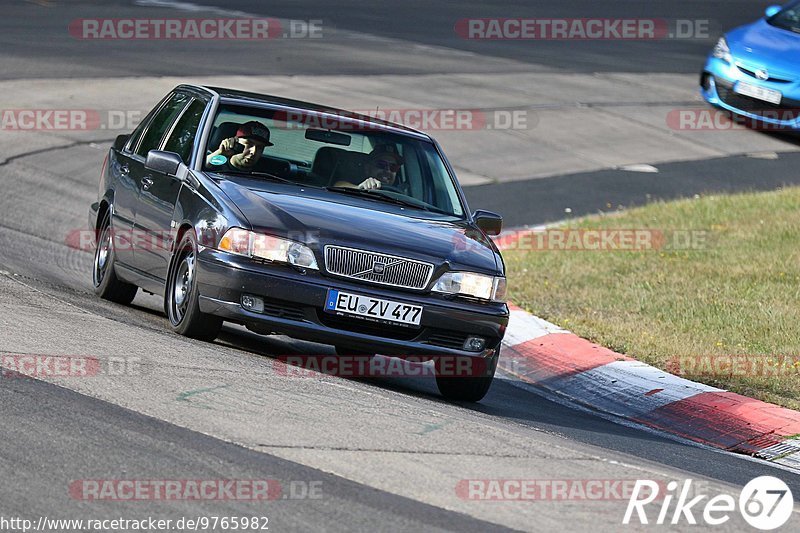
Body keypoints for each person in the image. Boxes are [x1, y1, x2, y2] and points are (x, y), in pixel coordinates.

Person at [206, 121, 273, 170]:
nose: (254, 152)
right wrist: (219, 153)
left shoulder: (264, 174)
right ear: (235, 142)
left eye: (260, 147)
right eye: (249, 144)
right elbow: (201, 166)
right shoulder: (218, 164)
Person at [334, 144, 404, 190]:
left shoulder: (401, 195)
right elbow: (338, 186)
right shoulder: (359, 184)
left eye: (393, 167)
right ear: (367, 168)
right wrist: (358, 188)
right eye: (381, 164)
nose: (388, 170)